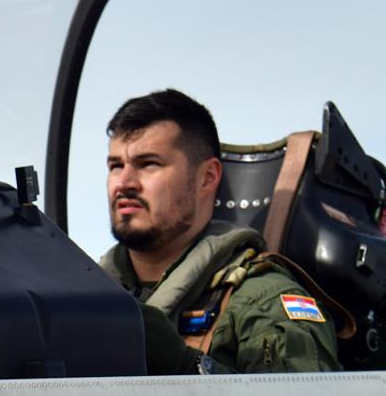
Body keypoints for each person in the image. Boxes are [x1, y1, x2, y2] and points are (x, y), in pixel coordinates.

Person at [101, 89, 340, 374]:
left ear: (207, 178)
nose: (124, 182)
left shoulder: (262, 302)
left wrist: (186, 368)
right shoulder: (82, 298)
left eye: (149, 164)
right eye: (116, 166)